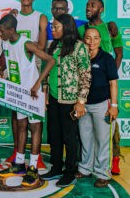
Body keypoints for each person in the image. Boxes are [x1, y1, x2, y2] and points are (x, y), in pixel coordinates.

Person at [0, 14, 55, 187]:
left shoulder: (27, 43)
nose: (0, 33)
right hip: (18, 93)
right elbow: (11, 61)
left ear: (11, 29)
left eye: (2, 30)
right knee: (21, 126)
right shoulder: (5, 42)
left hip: (32, 93)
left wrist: (38, 84)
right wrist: (3, 69)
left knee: (35, 128)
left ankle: (34, 167)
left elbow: (50, 60)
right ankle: (19, 164)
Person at [41, 14, 91, 188]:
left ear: (67, 27)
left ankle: (69, 172)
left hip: (70, 100)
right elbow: (47, 71)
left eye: (56, 27)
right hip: (54, 99)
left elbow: (85, 76)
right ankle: (56, 167)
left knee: (70, 138)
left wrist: (81, 101)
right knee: (54, 135)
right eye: (52, 27)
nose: (52, 30)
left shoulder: (79, 47)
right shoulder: (53, 46)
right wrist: (46, 92)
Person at [77, 0, 123, 175]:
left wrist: (108, 73)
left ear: (101, 9)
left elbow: (119, 52)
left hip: (103, 94)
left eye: (93, 5)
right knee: (86, 137)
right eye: (87, 5)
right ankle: (86, 168)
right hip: (85, 97)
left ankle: (110, 165)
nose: (89, 7)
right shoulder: (82, 29)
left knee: (108, 135)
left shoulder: (110, 28)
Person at [6, 0, 48, 170]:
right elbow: (7, 40)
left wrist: (28, 50)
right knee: (17, 115)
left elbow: (42, 45)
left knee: (35, 120)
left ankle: (34, 160)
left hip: (34, 62)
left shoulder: (40, 16)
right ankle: (18, 154)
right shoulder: (13, 17)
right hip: (15, 64)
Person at [76, 28, 118, 188]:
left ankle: (102, 174)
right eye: (88, 38)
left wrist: (113, 106)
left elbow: (113, 83)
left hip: (102, 105)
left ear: (100, 40)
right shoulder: (80, 57)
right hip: (83, 105)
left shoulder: (106, 58)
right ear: (83, 40)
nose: (91, 42)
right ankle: (85, 168)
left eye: (95, 38)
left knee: (102, 140)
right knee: (86, 138)